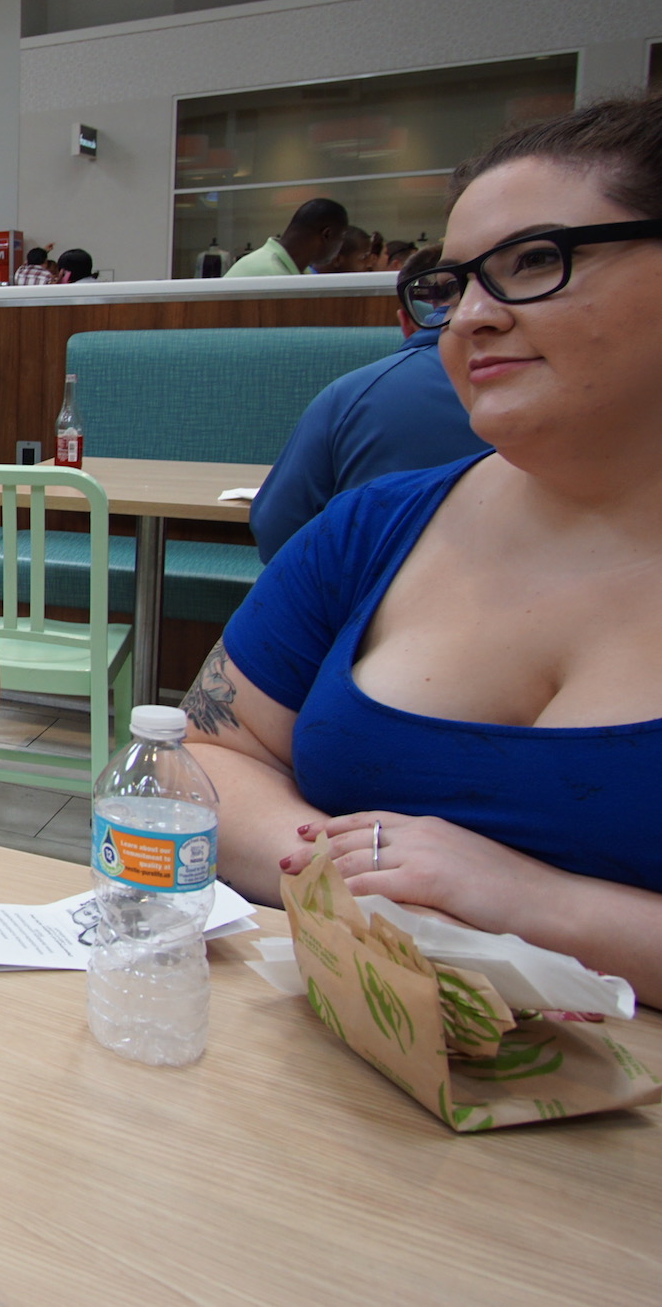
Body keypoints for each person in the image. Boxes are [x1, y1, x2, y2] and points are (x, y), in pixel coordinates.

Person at [186, 93, 662, 997]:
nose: (472, 315)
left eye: (535, 261)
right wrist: (362, 878)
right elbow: (208, 754)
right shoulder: (371, 529)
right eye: (453, 283)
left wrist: (532, 902)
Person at [249, 243, 488, 561]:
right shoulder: (539, 391)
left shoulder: (350, 397)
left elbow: (275, 533)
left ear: (405, 322)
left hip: (372, 588)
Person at [224, 197, 350, 276]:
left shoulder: (299, 271)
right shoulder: (269, 273)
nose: (340, 247)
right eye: (341, 238)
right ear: (327, 234)